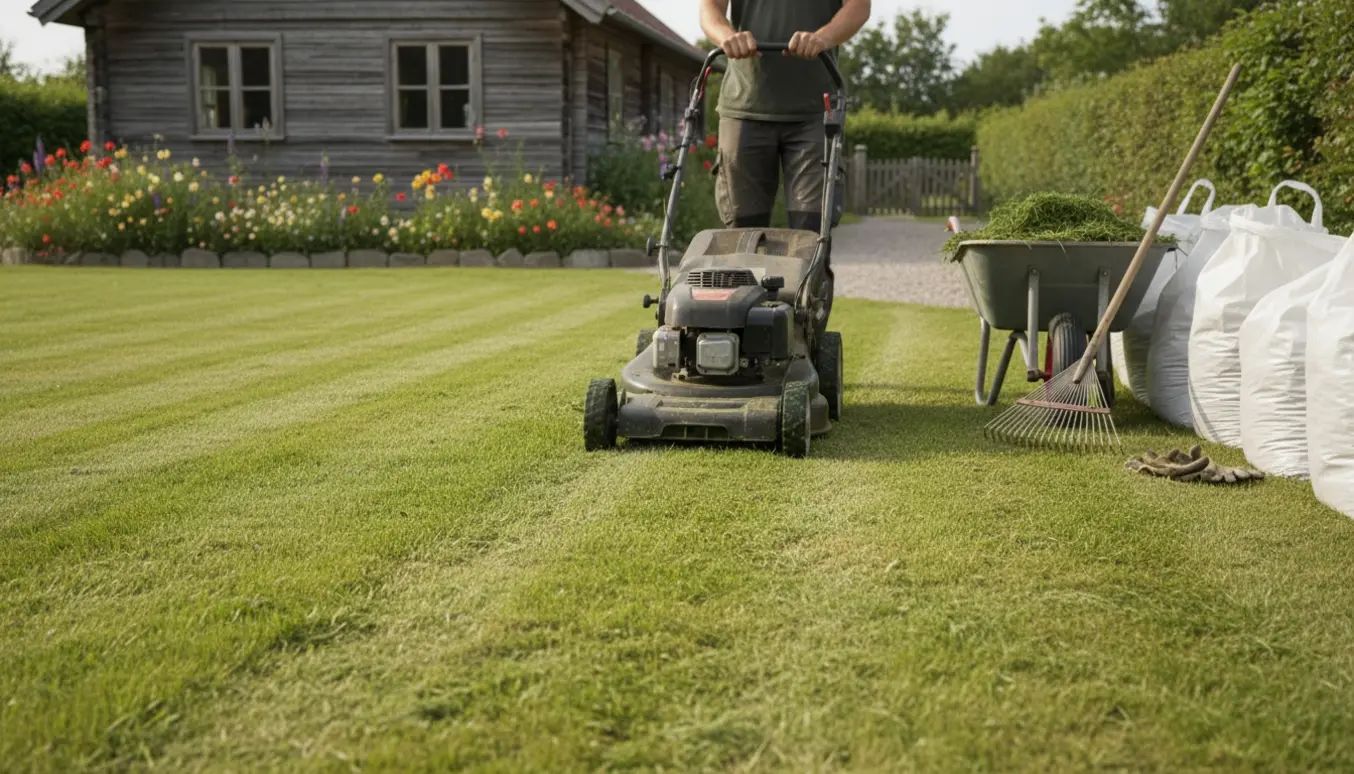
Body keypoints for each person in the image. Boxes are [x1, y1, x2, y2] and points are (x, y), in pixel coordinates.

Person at [699, 0, 871, 234]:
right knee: (741, 231)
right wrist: (727, 36)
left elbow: (859, 7)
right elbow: (710, 7)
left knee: (811, 231)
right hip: (745, 105)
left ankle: (810, 270)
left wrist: (822, 38)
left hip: (815, 110)